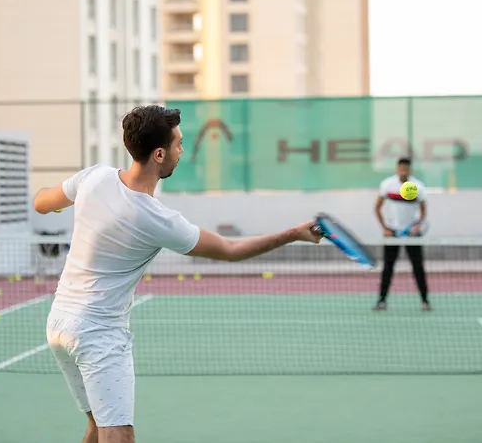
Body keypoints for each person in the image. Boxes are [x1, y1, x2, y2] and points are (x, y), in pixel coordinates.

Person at [33, 105, 321, 443]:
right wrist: (293, 234)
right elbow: (230, 249)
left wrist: (72, 202)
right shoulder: (156, 219)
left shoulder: (93, 177)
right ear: (159, 154)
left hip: (59, 324)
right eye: (178, 144)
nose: (181, 151)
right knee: (118, 435)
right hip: (98, 334)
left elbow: (41, 202)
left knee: (97, 428)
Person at [373, 157, 431, 312]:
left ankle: (425, 301)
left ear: (410, 170)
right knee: (388, 268)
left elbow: (423, 210)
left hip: (412, 235)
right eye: (401, 168)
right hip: (392, 233)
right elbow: (377, 208)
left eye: (406, 168)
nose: (403, 171)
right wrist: (385, 228)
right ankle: (382, 301)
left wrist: (417, 226)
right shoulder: (387, 185)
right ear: (397, 169)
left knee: (418, 267)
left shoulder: (418, 187)